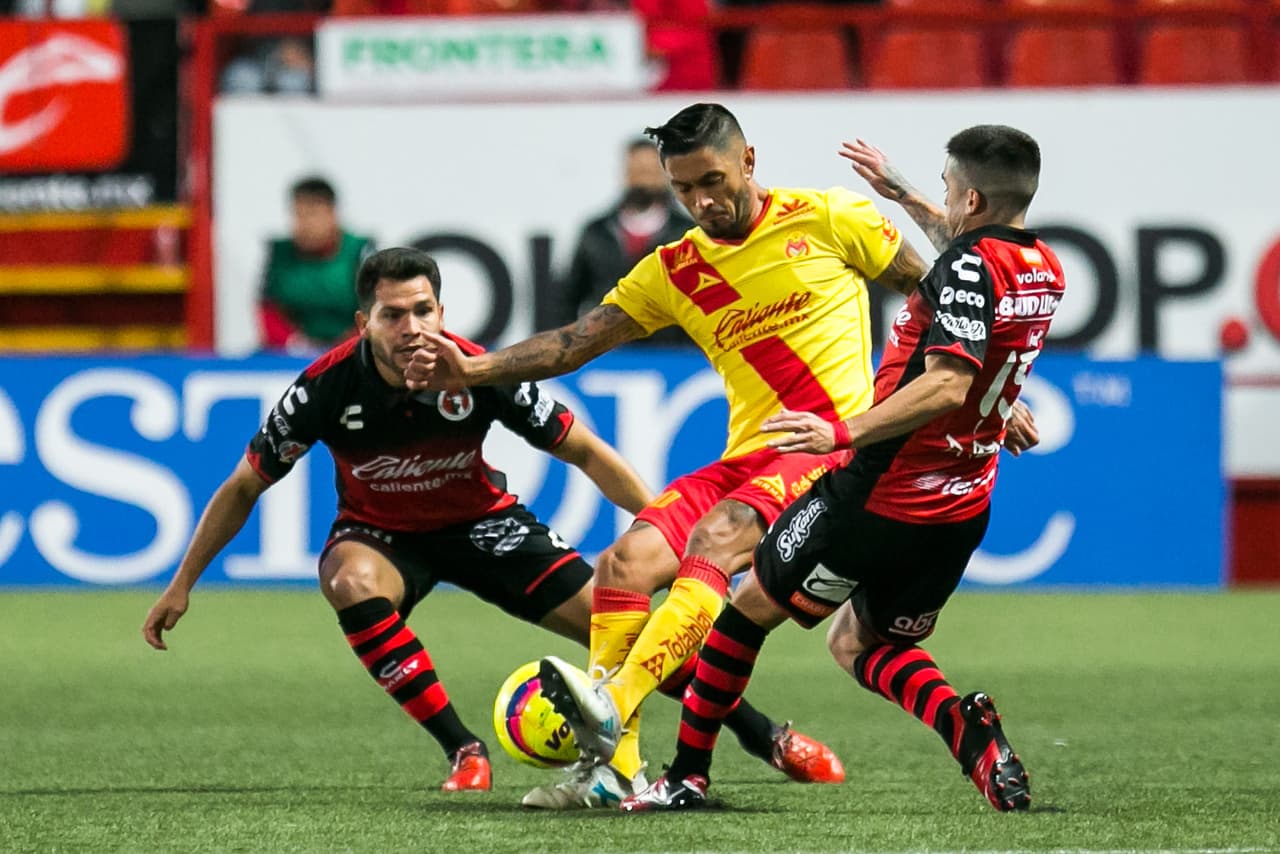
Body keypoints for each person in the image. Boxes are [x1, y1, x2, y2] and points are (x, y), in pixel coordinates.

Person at [142, 246, 830, 806]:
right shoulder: (324, 389)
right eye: (391, 316)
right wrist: (182, 584)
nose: (410, 328)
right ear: (362, 322)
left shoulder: (478, 371)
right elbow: (242, 485)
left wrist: (667, 531)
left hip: (484, 526)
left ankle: (760, 732)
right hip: (382, 536)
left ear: (442, 311)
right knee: (348, 579)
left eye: (422, 311)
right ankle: (463, 748)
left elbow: (585, 450)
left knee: (621, 634)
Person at [406, 102, 935, 806]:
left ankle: (615, 701)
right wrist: (473, 372)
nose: (701, 202)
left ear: (749, 161)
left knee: (715, 540)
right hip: (748, 456)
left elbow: (936, 299)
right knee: (623, 562)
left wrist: (983, 388)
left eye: (712, 180)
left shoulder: (830, 218)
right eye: (684, 189)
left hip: (828, 448)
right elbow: (577, 341)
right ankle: (615, 769)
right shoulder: (674, 268)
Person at [618, 124, 1063, 813]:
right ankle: (966, 731)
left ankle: (686, 775)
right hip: (963, 502)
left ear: (970, 200)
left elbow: (948, 377)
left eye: (947, 189)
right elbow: (971, 263)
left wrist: (839, 430)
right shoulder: (1043, 269)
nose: (939, 199)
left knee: (743, 613)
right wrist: (907, 193)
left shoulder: (967, 269)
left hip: (877, 489)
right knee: (859, 641)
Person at [555, 138, 693, 347]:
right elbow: (568, 297)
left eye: (649, 172)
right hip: (608, 351)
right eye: (636, 172)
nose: (642, 181)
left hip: (672, 354)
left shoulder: (686, 233)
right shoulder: (597, 232)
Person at [258, 176, 374, 355]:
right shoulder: (279, 254)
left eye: (312, 214)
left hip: (354, 351)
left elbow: (377, 309)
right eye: (298, 214)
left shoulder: (360, 252)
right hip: (292, 354)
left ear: (332, 213)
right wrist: (295, 344)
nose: (304, 225)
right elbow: (268, 309)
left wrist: (346, 345)